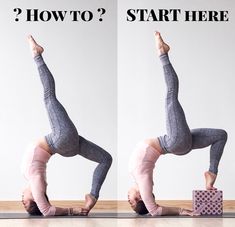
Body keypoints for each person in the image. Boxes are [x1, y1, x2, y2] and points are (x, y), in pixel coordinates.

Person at [128, 32, 227, 216]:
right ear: (140, 197)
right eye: (132, 202)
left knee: (221, 135)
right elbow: (154, 211)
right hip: (174, 141)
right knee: (171, 93)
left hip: (178, 142)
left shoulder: (136, 178)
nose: (129, 200)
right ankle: (162, 53)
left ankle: (211, 173)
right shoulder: (144, 183)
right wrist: (183, 210)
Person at [21, 35, 113, 216]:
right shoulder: (36, 183)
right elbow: (46, 211)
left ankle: (93, 197)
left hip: (64, 146)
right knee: (49, 96)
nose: (21, 199)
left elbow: (43, 207)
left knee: (106, 159)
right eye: (24, 203)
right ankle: (36, 55)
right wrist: (72, 210)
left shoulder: (33, 180)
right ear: (35, 200)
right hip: (60, 139)